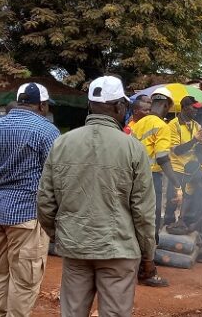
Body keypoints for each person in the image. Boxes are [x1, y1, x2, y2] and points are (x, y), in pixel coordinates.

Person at [38, 76, 156, 317]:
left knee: (72, 312)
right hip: (119, 249)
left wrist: (60, 234)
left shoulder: (62, 143)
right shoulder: (133, 147)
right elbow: (143, 210)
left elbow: (45, 201)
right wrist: (148, 254)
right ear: (119, 107)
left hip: (76, 246)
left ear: (90, 105)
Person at [0, 82, 60, 317]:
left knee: (0, 273)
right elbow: (55, 175)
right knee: (25, 280)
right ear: (42, 104)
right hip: (27, 214)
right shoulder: (47, 131)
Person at [130, 87, 177, 287]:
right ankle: (147, 269)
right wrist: (176, 182)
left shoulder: (138, 124)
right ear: (166, 105)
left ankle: (133, 263)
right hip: (151, 178)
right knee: (151, 222)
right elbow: (162, 157)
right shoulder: (161, 126)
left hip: (132, 176)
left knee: (134, 219)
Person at [163, 96, 202, 225]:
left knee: (189, 200)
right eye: (194, 108)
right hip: (176, 170)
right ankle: (167, 229)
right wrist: (195, 140)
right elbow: (176, 151)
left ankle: (184, 227)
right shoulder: (173, 125)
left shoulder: (196, 125)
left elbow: (198, 147)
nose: (196, 111)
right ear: (185, 108)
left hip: (192, 169)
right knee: (173, 201)